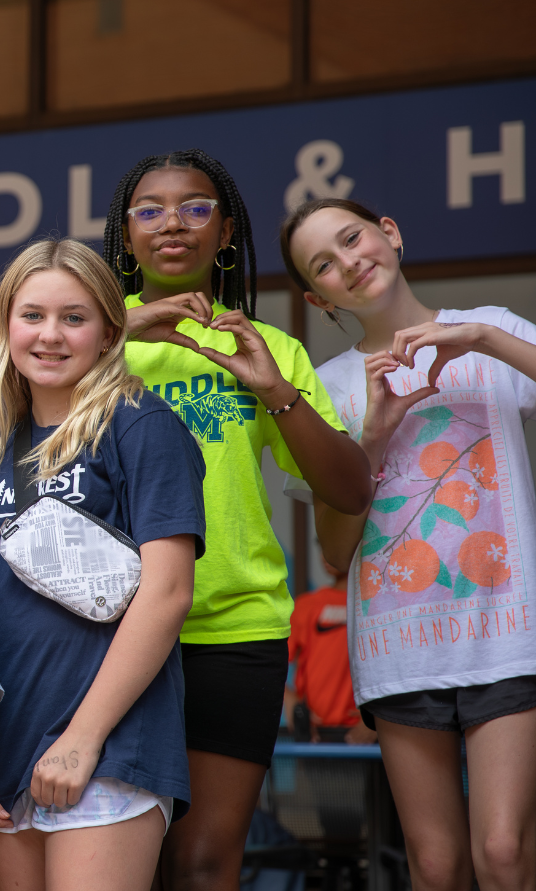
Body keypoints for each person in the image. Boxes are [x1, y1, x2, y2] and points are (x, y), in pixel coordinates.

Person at [101, 150, 372, 891]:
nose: (172, 224)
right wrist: (119, 333)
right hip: (105, 630)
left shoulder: (270, 347)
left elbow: (350, 490)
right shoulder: (83, 340)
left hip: (233, 630)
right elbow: (7, 402)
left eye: (195, 208)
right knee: (118, 864)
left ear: (225, 233)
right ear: (125, 236)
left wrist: (276, 389)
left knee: (203, 865)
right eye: (149, 209)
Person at [280, 197, 536, 891]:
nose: (349, 262)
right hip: (399, 646)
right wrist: (372, 438)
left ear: (389, 233)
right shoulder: (330, 388)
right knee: (435, 864)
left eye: (353, 237)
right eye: (323, 264)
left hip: (506, 634)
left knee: (506, 852)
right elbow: (334, 550)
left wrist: (479, 338)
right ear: (316, 295)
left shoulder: (492, 335)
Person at [0, 238, 204, 891]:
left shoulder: (139, 423)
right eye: (32, 315)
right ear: (5, 327)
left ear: (109, 331)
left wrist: (84, 738)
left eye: (74, 317)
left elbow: (168, 592)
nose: (50, 334)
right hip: (5, 750)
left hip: (108, 744)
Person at [284, 561, 370, 743]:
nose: (324, 553)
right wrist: (292, 706)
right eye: (320, 543)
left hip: (367, 737)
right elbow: (274, 665)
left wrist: (378, 718)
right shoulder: (306, 604)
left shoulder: (377, 602)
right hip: (315, 735)